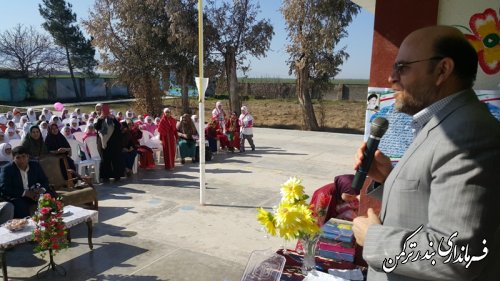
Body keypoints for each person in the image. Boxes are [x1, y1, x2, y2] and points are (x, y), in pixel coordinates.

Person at [350, 26, 500, 281]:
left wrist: (375, 239)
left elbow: (456, 254)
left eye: (403, 67)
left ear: (443, 70)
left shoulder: (469, 133)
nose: (391, 78)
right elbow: (433, 201)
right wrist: (389, 177)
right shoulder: (445, 123)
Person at [0, 146, 51, 218]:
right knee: (20, 205)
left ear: (28, 157)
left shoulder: (35, 165)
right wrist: (25, 193)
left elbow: (45, 180)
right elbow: (4, 188)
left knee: (49, 196)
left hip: (34, 193)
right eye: (18, 158)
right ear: (13, 158)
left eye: (24, 156)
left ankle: (51, 223)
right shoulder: (7, 169)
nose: (21, 160)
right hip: (17, 195)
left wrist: (41, 190)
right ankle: (26, 226)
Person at [94, 104, 124, 182]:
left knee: (115, 159)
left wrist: (113, 119)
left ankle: (116, 176)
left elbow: (118, 127)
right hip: (103, 142)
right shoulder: (97, 118)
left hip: (113, 142)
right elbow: (97, 127)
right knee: (105, 160)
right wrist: (100, 119)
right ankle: (105, 176)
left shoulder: (112, 117)